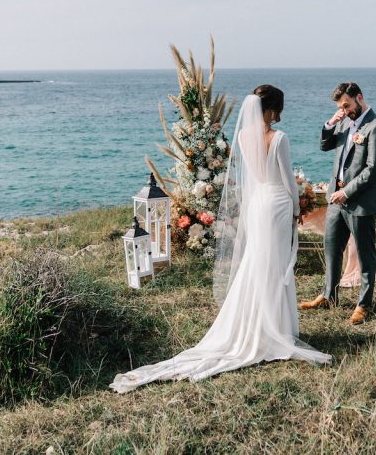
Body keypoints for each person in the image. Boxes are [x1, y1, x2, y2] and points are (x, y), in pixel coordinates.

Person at [110, 85, 331, 393]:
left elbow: (252, 177)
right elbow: (285, 180)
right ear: (273, 110)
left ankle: (259, 324)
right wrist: (297, 207)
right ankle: (274, 329)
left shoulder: (243, 137)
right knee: (275, 265)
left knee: (258, 262)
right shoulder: (279, 139)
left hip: (257, 206)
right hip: (278, 203)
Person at [299, 82, 376, 325]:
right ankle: (329, 296)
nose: (345, 110)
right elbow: (324, 145)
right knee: (331, 248)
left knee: (365, 253)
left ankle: (364, 304)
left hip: (359, 201)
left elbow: (374, 169)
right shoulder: (343, 122)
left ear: (360, 97)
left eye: (347, 105)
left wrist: (347, 192)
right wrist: (331, 122)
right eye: (341, 106)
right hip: (335, 200)